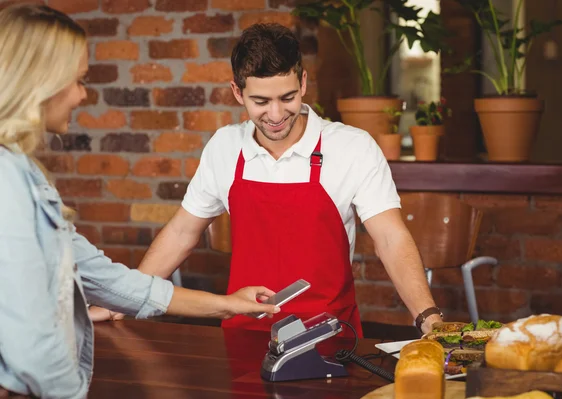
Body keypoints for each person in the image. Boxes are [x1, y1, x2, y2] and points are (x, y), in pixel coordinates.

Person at [0, 4, 280, 399]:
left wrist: (228, 304)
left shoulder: (23, 175)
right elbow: (32, 339)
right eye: (78, 80)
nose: (83, 95)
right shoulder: (7, 181)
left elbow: (108, 279)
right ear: (40, 84)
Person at [92, 23, 443, 337]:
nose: (276, 115)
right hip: (243, 336)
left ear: (303, 83)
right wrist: (125, 300)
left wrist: (427, 317)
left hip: (327, 335)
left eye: (287, 97)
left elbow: (390, 238)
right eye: (260, 101)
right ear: (237, 92)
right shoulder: (225, 147)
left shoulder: (352, 147)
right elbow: (183, 232)